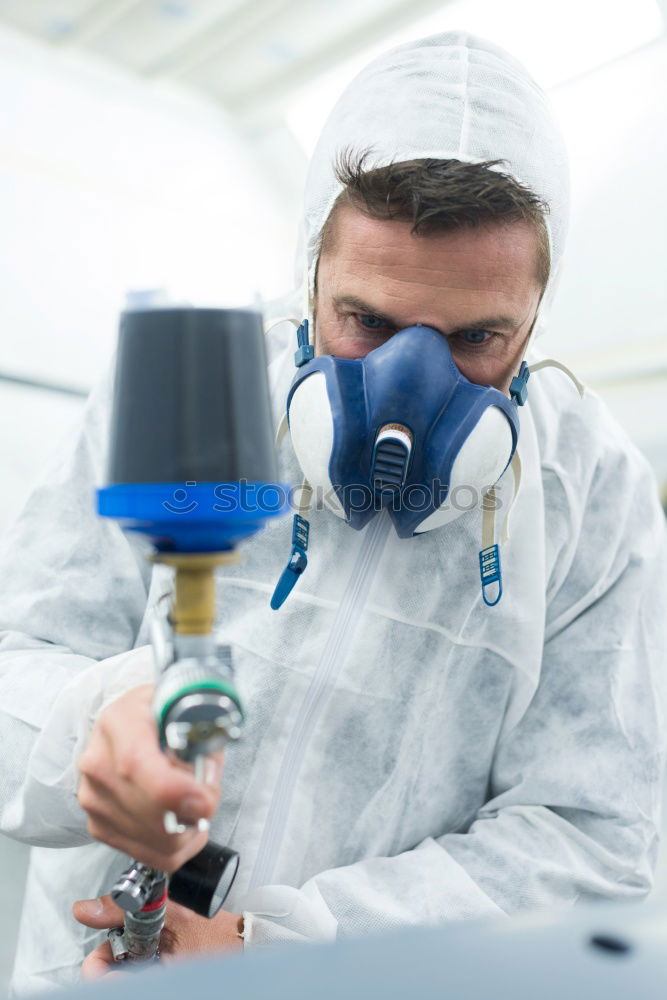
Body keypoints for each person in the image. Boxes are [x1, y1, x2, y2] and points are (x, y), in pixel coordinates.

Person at [1, 31, 665, 994]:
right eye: (366, 322)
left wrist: (285, 955)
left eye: (478, 338)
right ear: (308, 277)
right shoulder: (198, 387)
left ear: (534, 320)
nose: (408, 391)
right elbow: (16, 653)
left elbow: (589, 837)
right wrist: (86, 736)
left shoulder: (590, 493)